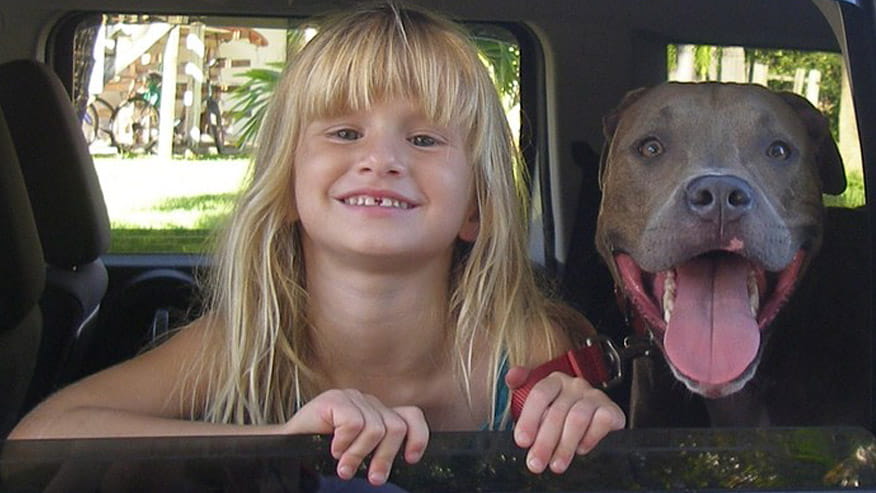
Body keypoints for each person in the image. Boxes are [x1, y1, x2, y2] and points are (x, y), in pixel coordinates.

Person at [10, 3, 624, 486]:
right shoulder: (240, 345)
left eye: (425, 140)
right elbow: (35, 440)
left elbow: (596, 456)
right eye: (345, 132)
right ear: (285, 188)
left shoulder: (525, 348)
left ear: (476, 208)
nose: (381, 159)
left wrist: (583, 422)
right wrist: (282, 442)